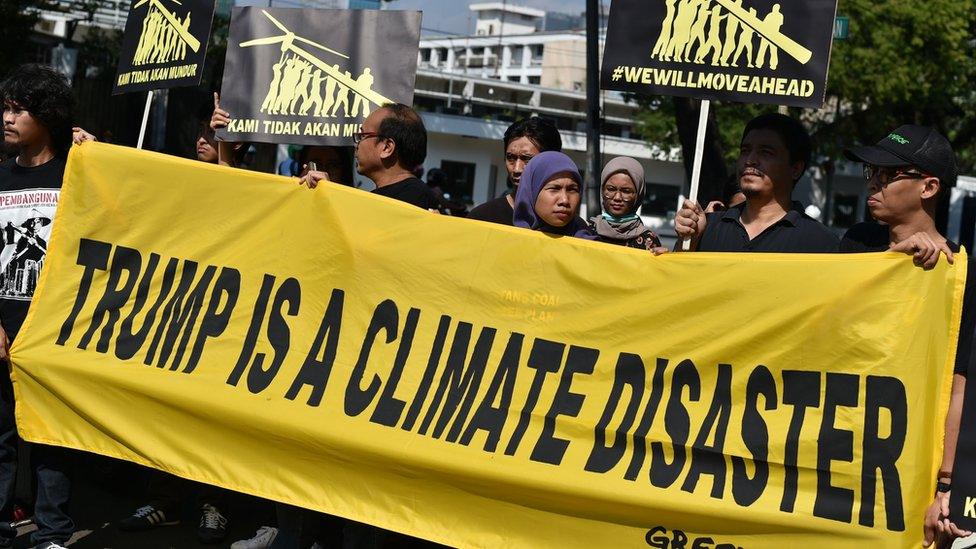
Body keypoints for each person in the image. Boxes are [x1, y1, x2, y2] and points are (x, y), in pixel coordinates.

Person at [837, 126, 969, 547]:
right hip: (835, 448)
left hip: (903, 468)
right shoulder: (856, 243)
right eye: (870, 171)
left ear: (929, 186)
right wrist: (889, 264)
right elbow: (819, 314)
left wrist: (945, 486)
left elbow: (959, 388)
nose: (874, 182)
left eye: (888, 173)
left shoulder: (961, 275)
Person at [0, 63, 76, 549]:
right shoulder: (1, 177)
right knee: (2, 434)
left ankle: (52, 533)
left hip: (54, 325)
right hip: (6, 324)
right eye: (4, 108)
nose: (7, 118)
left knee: (50, 437)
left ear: (47, 115)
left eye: (18, 109)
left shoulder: (78, 173)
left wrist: (99, 155)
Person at [674, 113, 839, 253]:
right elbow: (678, 284)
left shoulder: (821, 243)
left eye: (766, 153)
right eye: (745, 151)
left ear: (795, 169)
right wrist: (688, 242)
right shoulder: (706, 227)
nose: (750, 160)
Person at [302, 103, 437, 211]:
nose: (356, 144)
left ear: (386, 148)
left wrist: (331, 195)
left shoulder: (412, 201)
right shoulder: (393, 197)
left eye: (362, 136)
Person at [468, 117, 562, 225]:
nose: (517, 169)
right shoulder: (482, 218)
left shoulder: (575, 229)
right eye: (511, 158)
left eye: (527, 159)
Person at [513, 151, 592, 239]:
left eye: (572, 189)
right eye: (554, 188)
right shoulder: (503, 235)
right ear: (532, 191)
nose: (564, 200)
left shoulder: (589, 245)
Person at [588, 156, 662, 250]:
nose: (617, 197)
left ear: (638, 195)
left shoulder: (649, 240)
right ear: (602, 191)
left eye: (626, 191)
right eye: (611, 189)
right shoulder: (586, 231)